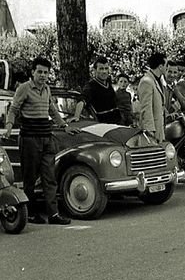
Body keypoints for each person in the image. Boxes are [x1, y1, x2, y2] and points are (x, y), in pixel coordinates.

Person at [2, 56, 78, 225]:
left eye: (46, 72)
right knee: (30, 178)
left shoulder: (47, 89)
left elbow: (52, 109)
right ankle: (29, 213)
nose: (43, 75)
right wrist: (8, 126)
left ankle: (53, 215)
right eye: (40, 72)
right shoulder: (24, 88)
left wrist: (65, 125)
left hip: (46, 137)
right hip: (30, 138)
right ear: (32, 72)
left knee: (49, 177)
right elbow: (13, 109)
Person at [73, 56, 121, 124]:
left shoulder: (108, 84)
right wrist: (76, 116)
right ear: (95, 70)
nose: (104, 71)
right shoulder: (91, 86)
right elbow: (82, 100)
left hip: (117, 123)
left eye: (106, 68)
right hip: (104, 125)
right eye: (101, 69)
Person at [137, 52, 168, 141]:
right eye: (166, 65)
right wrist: (149, 130)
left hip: (159, 127)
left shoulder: (157, 81)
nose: (167, 68)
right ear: (160, 66)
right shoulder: (147, 81)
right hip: (152, 130)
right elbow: (146, 108)